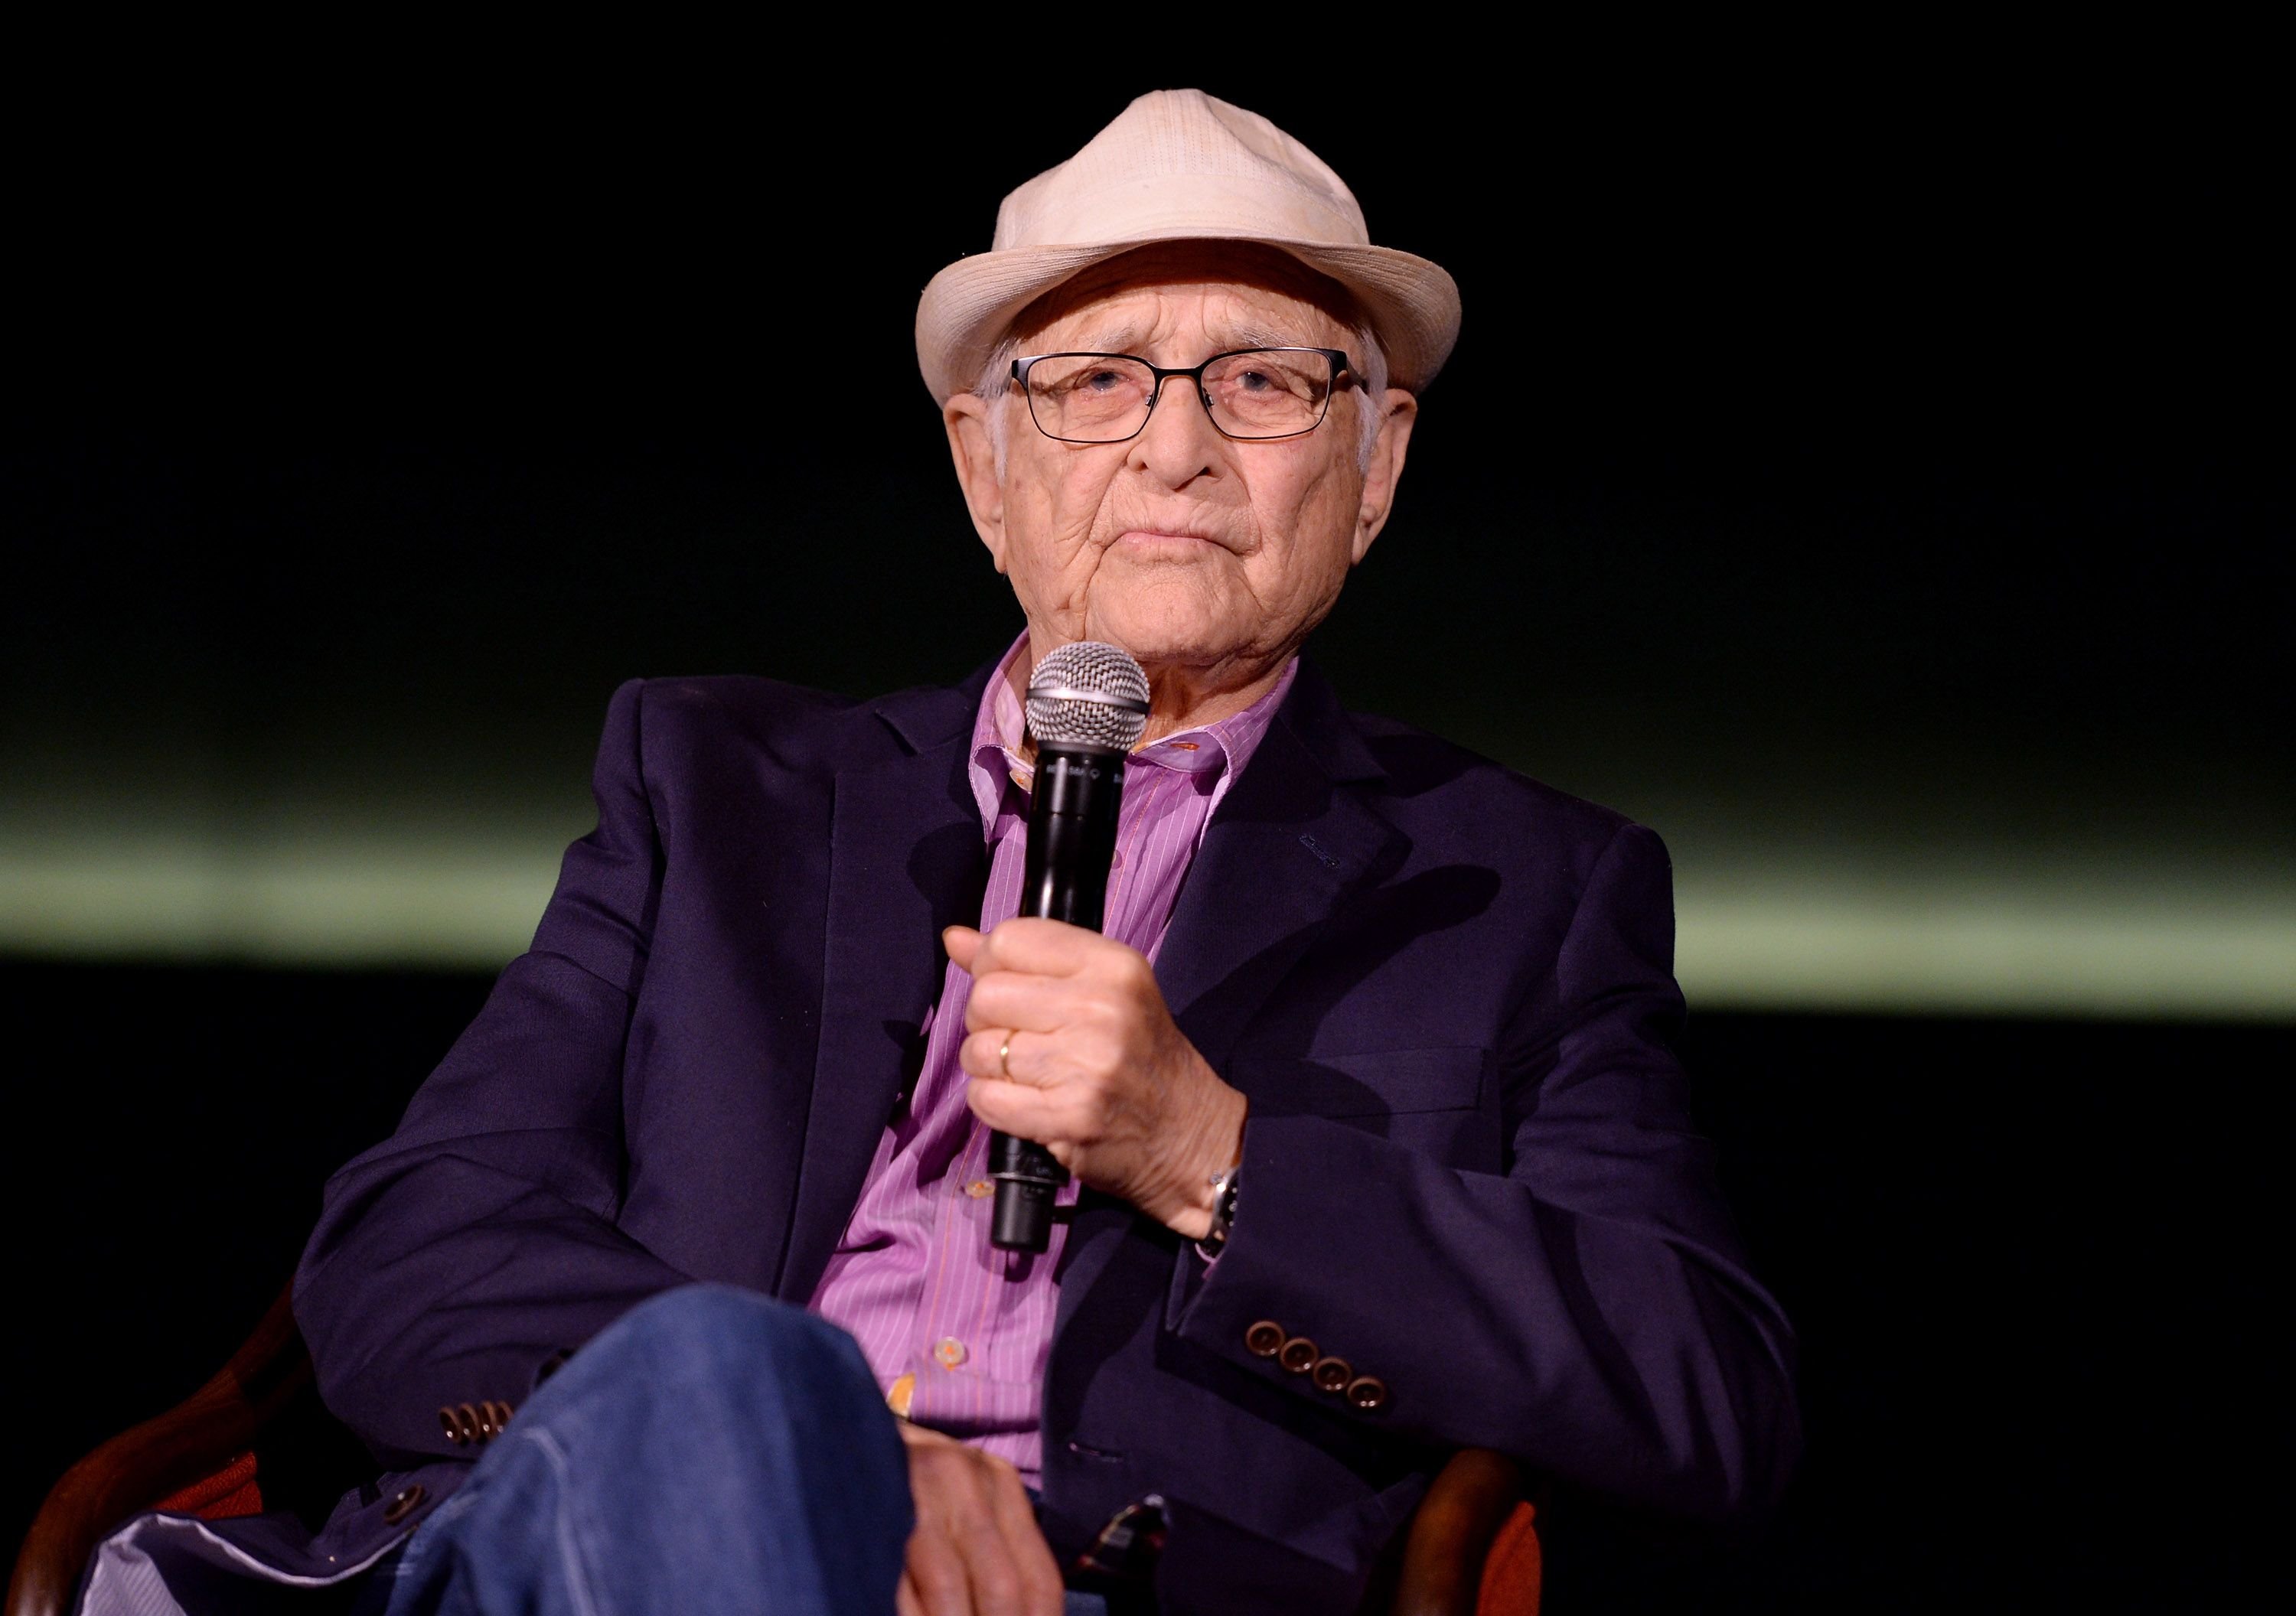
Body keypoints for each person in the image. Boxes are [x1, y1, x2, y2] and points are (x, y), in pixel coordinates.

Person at [75, 90, 1798, 1616]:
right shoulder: (720, 789)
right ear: (987, 467)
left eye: (1266, 383)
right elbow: (410, 1252)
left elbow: (1701, 1393)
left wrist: (1215, 1156)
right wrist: (795, 1445)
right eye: (1100, 380)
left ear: (1374, 469)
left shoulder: (1523, 888)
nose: (1178, 444)